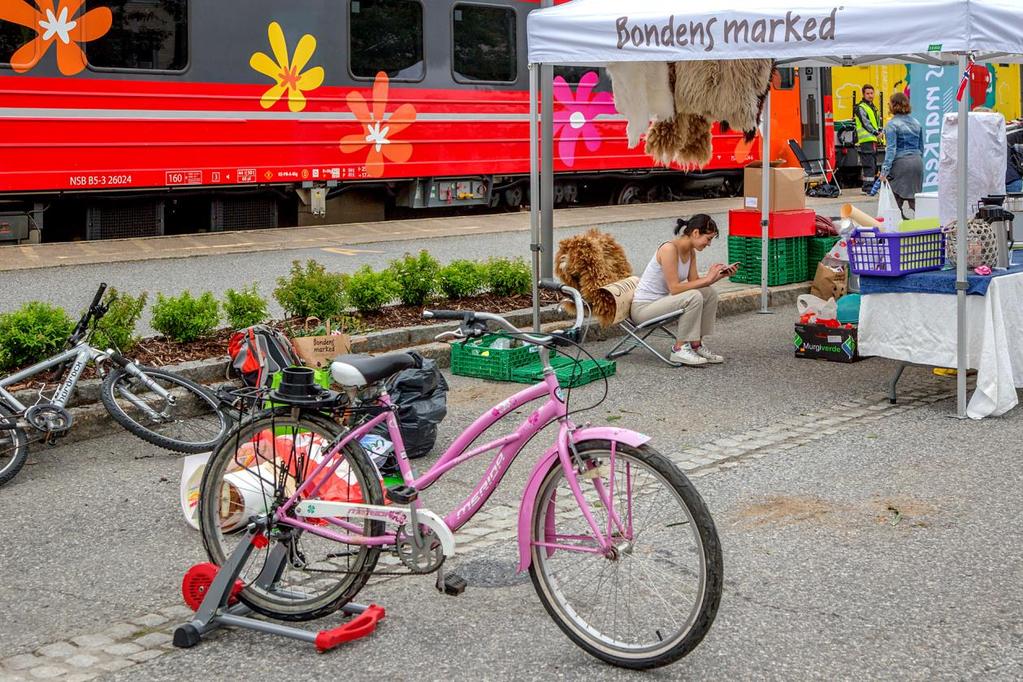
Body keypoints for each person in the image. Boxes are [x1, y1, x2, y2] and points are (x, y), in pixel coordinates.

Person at [630, 215, 732, 367]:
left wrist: (718, 276)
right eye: (708, 238)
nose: (709, 244)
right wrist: (707, 279)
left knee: (709, 293)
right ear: (696, 233)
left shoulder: (690, 252)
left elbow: (695, 282)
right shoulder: (669, 249)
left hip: (661, 303)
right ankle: (679, 349)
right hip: (643, 309)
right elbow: (675, 288)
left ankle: (696, 345)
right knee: (694, 296)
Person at [878, 92, 924, 218]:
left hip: (901, 163)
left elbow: (891, 150)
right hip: (917, 162)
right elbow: (921, 147)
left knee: (895, 199)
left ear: (894, 105)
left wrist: (884, 172)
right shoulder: (917, 123)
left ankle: (898, 227)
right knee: (915, 198)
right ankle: (927, 222)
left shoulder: (892, 125)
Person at [855, 84, 883, 195]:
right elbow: (865, 123)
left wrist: (879, 130)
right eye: (868, 93)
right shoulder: (861, 107)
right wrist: (876, 133)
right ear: (863, 94)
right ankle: (867, 187)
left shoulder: (872, 107)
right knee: (869, 164)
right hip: (866, 140)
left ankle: (869, 187)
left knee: (873, 163)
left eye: (872, 93)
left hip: (872, 140)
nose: (870, 95)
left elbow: (875, 123)